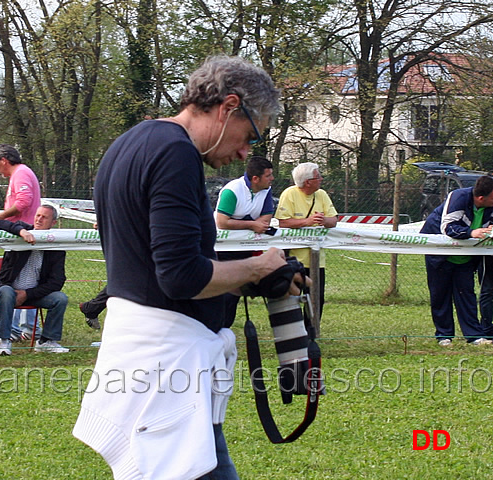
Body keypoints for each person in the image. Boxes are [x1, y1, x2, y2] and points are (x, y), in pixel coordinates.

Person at [73, 55, 298, 479]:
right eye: (250, 135)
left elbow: (154, 265)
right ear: (229, 106)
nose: (246, 151)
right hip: (166, 364)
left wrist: (259, 277)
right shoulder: (176, 153)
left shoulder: (131, 142)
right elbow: (180, 277)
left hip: (148, 351)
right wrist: (256, 267)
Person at [420, 175, 493, 345]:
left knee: (466, 294)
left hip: (466, 257)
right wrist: (471, 233)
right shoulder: (458, 197)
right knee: (440, 294)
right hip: (439, 253)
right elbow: (447, 227)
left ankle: (474, 336)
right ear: (481, 198)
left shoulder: (490, 207)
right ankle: (444, 336)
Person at [0, 204, 70, 355]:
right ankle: (4, 341)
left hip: (34, 295)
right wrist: (21, 232)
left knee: (60, 298)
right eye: (38, 215)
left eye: (44, 217)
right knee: (7, 292)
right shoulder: (21, 229)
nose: (39, 219)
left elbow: (57, 282)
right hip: (6, 290)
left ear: (53, 223)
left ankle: (46, 342)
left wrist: (27, 294)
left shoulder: (57, 247)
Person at [214, 155, 275, 327]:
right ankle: (217, 329)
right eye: (268, 175)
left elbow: (266, 219)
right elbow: (222, 222)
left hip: (246, 248)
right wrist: (251, 224)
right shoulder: (231, 191)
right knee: (225, 293)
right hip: (222, 249)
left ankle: (225, 328)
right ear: (255, 179)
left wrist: (254, 225)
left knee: (235, 293)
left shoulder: (266, 190)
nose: (272, 179)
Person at [0, 143, 42, 339]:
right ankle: (22, 327)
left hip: (23, 232)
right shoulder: (22, 173)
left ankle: (23, 328)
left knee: (18, 280)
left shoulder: (20, 173)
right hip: (20, 232)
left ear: (4, 161)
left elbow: (23, 203)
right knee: (21, 279)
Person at [275, 162, 337, 320]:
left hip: (317, 261)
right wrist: (307, 221)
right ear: (308, 181)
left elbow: (334, 220)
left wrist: (324, 220)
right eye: (318, 177)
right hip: (293, 260)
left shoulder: (322, 194)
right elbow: (283, 222)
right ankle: (292, 333)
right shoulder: (289, 194)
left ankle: (311, 334)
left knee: (316, 300)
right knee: (290, 300)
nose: (322, 179)